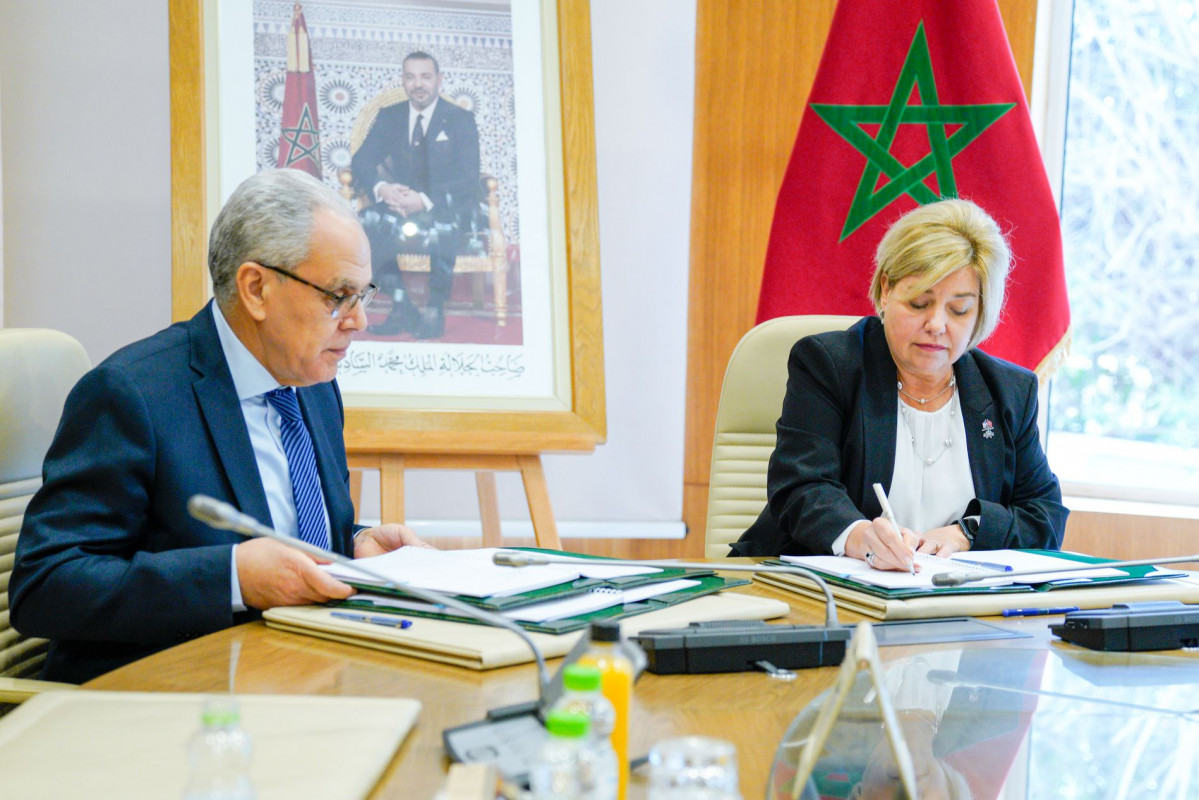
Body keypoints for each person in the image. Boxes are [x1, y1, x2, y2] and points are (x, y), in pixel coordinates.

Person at [10, 168, 432, 684]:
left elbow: (278, 529)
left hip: (300, 677)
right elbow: (46, 586)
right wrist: (231, 579)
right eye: (338, 296)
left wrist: (354, 544)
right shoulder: (131, 394)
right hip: (166, 702)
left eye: (362, 294)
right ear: (256, 288)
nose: (359, 320)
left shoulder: (314, 384)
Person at [732, 198, 1067, 567]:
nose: (937, 325)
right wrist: (861, 537)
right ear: (887, 289)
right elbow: (801, 489)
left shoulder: (1009, 391)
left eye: (959, 310)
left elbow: (1045, 515)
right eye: (920, 303)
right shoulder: (829, 366)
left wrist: (966, 533)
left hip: (950, 606)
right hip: (822, 596)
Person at [351, 50, 482, 340]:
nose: (418, 84)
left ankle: (435, 309)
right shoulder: (392, 116)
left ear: (439, 80)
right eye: (410, 77)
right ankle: (402, 306)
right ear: (403, 81)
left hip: (444, 205)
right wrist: (383, 190)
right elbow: (361, 161)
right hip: (400, 205)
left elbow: (468, 177)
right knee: (367, 220)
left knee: (444, 225)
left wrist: (424, 200)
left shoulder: (459, 119)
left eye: (425, 76)